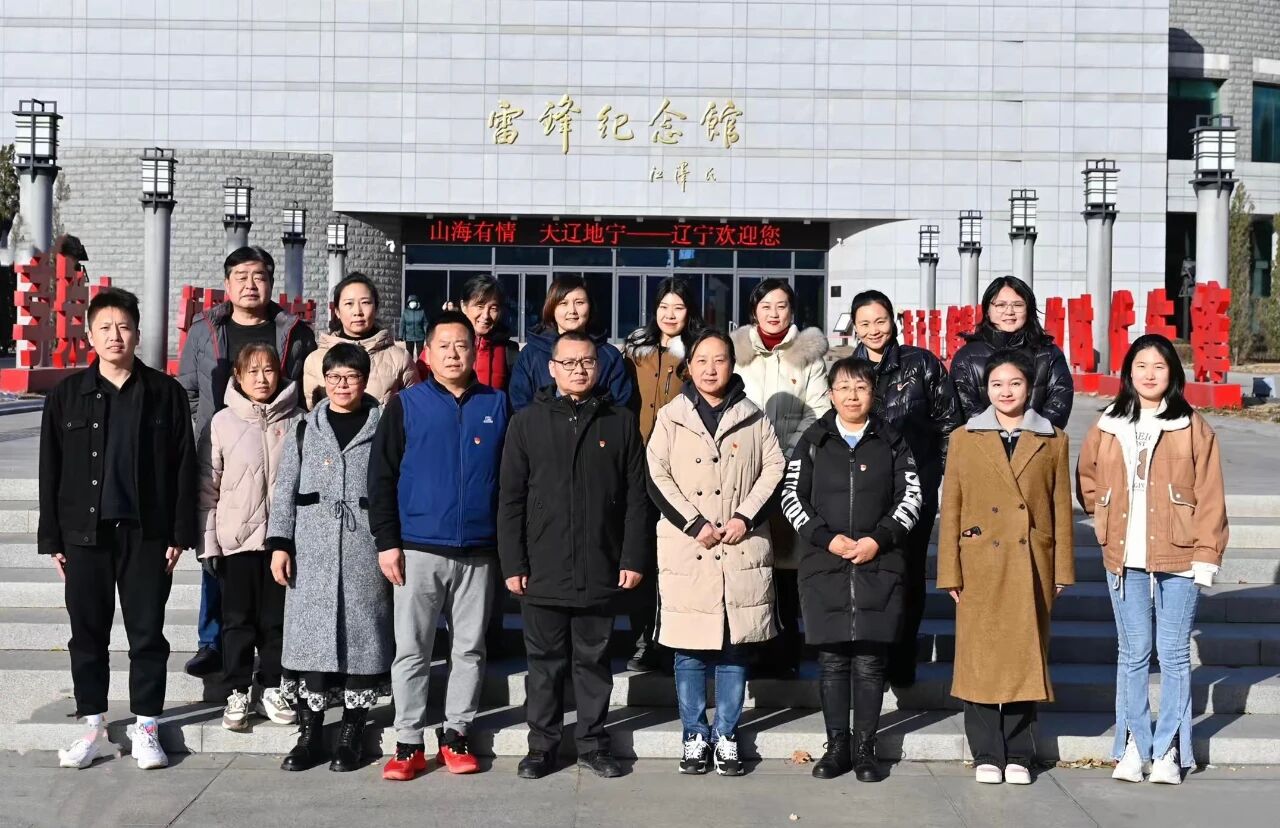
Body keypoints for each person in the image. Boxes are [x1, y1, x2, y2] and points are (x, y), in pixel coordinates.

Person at [40, 287, 196, 770]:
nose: (115, 335)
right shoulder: (67, 395)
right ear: (89, 335)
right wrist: (53, 540)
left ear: (137, 334)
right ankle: (93, 727)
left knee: (147, 634)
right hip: (84, 535)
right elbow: (50, 469)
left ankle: (146, 726)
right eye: (104, 327)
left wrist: (179, 534)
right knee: (87, 635)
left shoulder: (164, 393)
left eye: (123, 327)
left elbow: (183, 466)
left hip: (146, 534)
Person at [1076, 334, 1228, 785]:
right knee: (1133, 652)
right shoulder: (1108, 423)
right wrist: (1104, 516)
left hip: (1180, 554)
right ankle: (1132, 745)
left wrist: (1207, 554)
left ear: (1172, 374)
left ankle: (1169, 750)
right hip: (1125, 557)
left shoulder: (1192, 425)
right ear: (1128, 373)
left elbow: (1211, 495)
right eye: (1141, 365)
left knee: (1174, 654)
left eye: (1159, 366)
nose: (1149, 374)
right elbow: (1086, 478)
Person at [498, 331, 649, 780]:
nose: (578, 369)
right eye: (569, 362)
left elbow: (636, 498)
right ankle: (541, 746)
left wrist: (632, 557)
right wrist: (514, 563)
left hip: (600, 562)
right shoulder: (527, 422)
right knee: (544, 665)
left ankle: (593, 743)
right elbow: (510, 500)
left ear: (598, 367)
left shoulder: (620, 421)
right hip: (542, 566)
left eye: (587, 362)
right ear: (552, 368)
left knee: (594, 662)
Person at [369, 311, 510, 781]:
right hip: (418, 549)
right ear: (426, 353)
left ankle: (457, 734)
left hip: (479, 550)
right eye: (444, 346)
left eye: (462, 345)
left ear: (475, 352)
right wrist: (387, 542)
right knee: (412, 650)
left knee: (469, 649)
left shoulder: (497, 404)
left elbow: (512, 481)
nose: (453, 354)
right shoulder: (406, 405)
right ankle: (408, 741)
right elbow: (381, 478)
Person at [646, 329, 784, 776]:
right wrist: (693, 522)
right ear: (689, 367)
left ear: (732, 364)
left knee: (733, 648)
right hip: (689, 549)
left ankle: (725, 734)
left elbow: (774, 468)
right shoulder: (671, 417)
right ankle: (693, 735)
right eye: (702, 360)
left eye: (719, 360)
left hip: (739, 546)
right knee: (688, 650)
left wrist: (745, 516)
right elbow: (656, 475)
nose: (710, 369)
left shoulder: (753, 416)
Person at [935, 351, 1074, 785]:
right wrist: (949, 571)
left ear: (1029, 388)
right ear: (986, 389)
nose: (1006, 391)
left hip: (1030, 562)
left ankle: (1019, 753)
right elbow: (951, 506)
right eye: (997, 384)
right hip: (979, 561)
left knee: (1022, 658)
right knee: (978, 659)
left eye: (1015, 383)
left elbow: (1060, 508)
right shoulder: (964, 437)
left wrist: (1062, 571)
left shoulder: (1053, 439)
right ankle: (986, 752)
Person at [782, 357, 923, 782]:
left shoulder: (892, 440)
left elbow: (911, 496)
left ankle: (865, 748)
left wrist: (879, 538)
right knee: (831, 660)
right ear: (830, 395)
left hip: (879, 562)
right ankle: (837, 746)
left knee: (869, 660)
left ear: (873, 394)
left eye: (860, 387)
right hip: (824, 563)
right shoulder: (813, 440)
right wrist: (825, 538)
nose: (852, 396)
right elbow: (791, 496)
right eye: (843, 388)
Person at [178, 245, 317, 679]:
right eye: (241, 277)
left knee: (274, 563)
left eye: (259, 276)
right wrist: (205, 430)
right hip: (223, 447)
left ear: (271, 283)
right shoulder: (205, 329)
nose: (250, 285)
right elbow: (189, 390)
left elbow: (305, 390)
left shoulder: (294, 331)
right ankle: (212, 641)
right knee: (220, 547)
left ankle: (276, 652)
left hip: (278, 446)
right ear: (227, 284)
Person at [266, 343, 392, 773]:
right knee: (311, 642)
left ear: (365, 380)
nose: (342, 385)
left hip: (364, 550)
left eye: (351, 377)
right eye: (334, 377)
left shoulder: (383, 426)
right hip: (312, 552)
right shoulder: (305, 427)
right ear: (324, 381)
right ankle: (310, 735)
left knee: (362, 640)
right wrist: (279, 543)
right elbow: (285, 487)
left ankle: (351, 734)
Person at [849, 290, 962, 688]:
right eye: (864, 323)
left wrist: (937, 476)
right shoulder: (849, 370)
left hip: (916, 487)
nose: (873, 330)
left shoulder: (922, 364)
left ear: (893, 322)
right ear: (855, 328)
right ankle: (872, 657)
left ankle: (902, 658)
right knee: (871, 572)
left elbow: (950, 423)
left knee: (909, 571)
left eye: (880, 321)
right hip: (866, 489)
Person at [197, 343, 304, 732]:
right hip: (237, 542)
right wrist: (209, 544)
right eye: (253, 371)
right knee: (237, 621)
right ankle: (238, 691)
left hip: (282, 543)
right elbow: (207, 487)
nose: (262, 378)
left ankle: (272, 687)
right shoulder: (222, 423)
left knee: (277, 621)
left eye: (269, 370)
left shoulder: (299, 420)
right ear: (238, 377)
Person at [729, 277, 830, 677]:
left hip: (791, 472)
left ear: (792, 310)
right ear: (754, 310)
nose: (774, 313)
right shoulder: (736, 354)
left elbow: (818, 411)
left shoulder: (808, 356)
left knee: (786, 566)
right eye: (766, 306)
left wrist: (785, 457)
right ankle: (748, 651)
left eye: (782, 305)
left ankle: (784, 653)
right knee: (749, 563)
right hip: (742, 474)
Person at [622, 276, 706, 673]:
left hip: (680, 467)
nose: (670, 315)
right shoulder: (635, 351)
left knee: (678, 556)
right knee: (641, 552)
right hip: (638, 462)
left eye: (679, 307)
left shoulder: (697, 352)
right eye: (664, 307)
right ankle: (644, 640)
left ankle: (678, 641)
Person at [949, 275, 1073, 429]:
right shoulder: (967, 357)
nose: (1009, 311)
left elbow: (1059, 401)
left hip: (1038, 440)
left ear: (1028, 309)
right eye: (1000, 305)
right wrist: (994, 437)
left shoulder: (1048, 354)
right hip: (982, 441)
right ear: (987, 311)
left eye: (1018, 305)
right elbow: (964, 406)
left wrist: (1031, 434)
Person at [508, 274, 633, 411]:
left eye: (579, 302)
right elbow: (521, 405)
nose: (572, 311)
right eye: (563, 303)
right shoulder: (530, 354)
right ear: (552, 308)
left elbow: (620, 406)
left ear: (590, 306)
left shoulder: (610, 356)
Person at [303, 272, 416, 408]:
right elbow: (311, 411)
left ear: (376, 307)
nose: (358, 311)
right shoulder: (315, 360)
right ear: (337, 311)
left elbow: (415, 407)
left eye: (365, 302)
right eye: (349, 303)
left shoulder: (400, 358)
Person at [418, 275, 518, 390]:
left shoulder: (509, 352)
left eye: (493, 308)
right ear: (464, 306)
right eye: (480, 306)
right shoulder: (439, 345)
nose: (486, 315)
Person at [400, 294, 427, 360]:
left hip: (420, 336)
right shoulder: (405, 312)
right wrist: (401, 335)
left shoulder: (421, 312)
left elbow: (425, 324)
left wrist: (427, 334)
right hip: (409, 337)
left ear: (417, 303)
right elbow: (402, 324)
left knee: (420, 354)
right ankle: (410, 365)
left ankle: (420, 365)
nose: (412, 303)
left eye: (414, 302)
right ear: (408, 303)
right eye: (411, 302)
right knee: (409, 354)